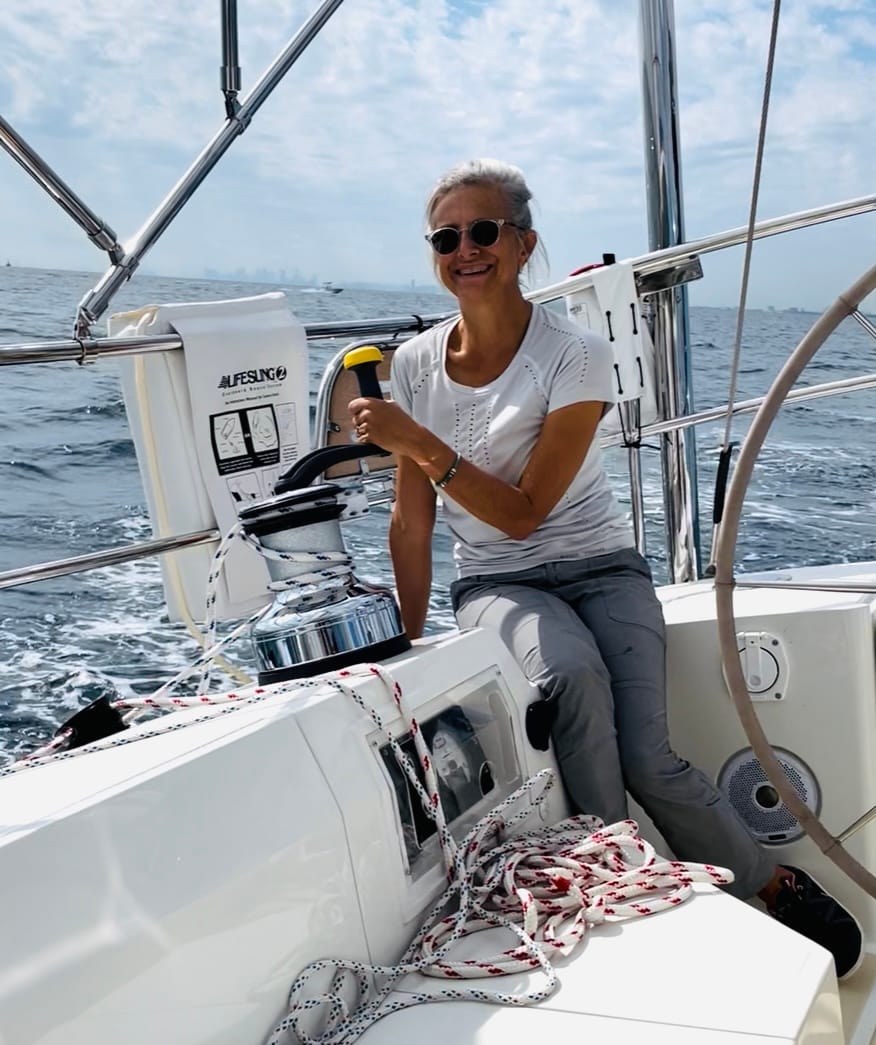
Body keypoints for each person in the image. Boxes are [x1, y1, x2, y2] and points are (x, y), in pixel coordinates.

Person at [347, 157, 862, 980]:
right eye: (446, 238)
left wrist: (415, 440)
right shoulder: (413, 364)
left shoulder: (575, 352)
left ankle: (769, 883)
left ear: (523, 244)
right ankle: (618, 886)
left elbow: (525, 510)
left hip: (602, 568)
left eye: (484, 231)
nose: (465, 249)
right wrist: (407, 645)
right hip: (498, 584)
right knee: (572, 676)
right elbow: (412, 523)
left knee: (650, 755)